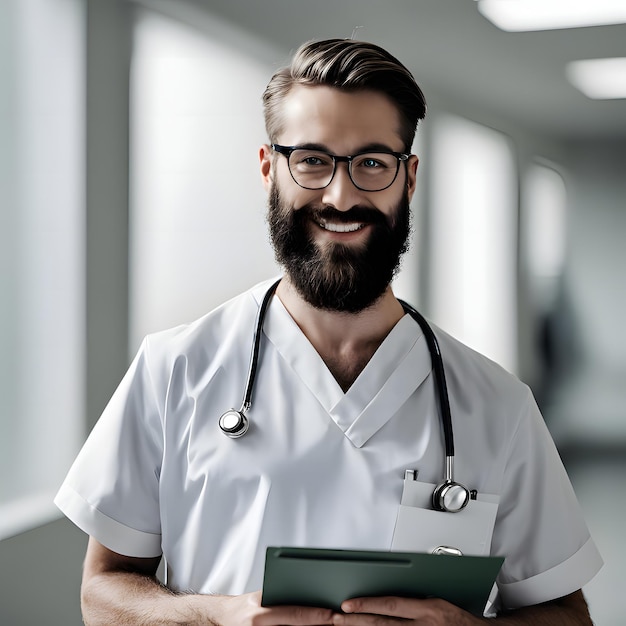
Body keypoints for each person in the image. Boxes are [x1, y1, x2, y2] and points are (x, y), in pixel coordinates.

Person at [55, 38, 602, 625]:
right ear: (269, 169)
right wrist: (216, 619)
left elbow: (566, 613)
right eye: (312, 160)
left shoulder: (498, 405)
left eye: (372, 163)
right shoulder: (174, 369)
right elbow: (103, 592)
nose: (341, 196)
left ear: (408, 179)